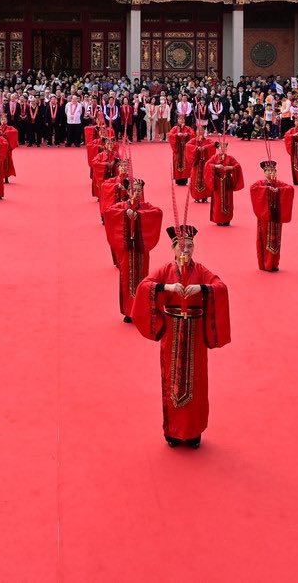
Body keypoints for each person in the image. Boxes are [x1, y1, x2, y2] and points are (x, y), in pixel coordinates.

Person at [130, 224, 231, 448]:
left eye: (190, 245)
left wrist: (202, 289)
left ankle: (193, 431)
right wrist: (168, 287)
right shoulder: (166, 269)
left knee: (197, 381)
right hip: (172, 332)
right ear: (173, 248)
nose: (186, 249)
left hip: (194, 334)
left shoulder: (201, 270)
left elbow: (220, 286)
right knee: (171, 380)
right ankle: (173, 431)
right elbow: (145, 285)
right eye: (182, 246)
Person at [103, 178, 162, 321]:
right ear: (128, 192)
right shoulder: (122, 206)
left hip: (141, 250)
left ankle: (141, 310)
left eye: (139, 191)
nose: (137, 193)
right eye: (134, 190)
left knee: (142, 277)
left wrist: (140, 215)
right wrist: (125, 214)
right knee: (126, 279)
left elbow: (157, 213)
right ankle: (128, 312)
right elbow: (108, 212)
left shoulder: (146, 206)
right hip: (128, 250)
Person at [249, 160, 294, 272]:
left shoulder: (279, 183)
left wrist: (278, 190)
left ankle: (274, 263)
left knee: (277, 239)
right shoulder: (260, 184)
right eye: (268, 171)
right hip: (265, 216)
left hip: (276, 215)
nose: (270, 172)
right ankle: (265, 264)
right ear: (264, 172)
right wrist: (268, 190)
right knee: (263, 238)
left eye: (272, 170)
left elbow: (290, 189)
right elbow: (253, 189)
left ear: (276, 171)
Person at [205, 139, 244, 226]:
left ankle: (227, 219)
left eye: (224, 148)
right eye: (220, 148)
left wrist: (230, 168)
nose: (222, 149)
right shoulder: (214, 157)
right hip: (218, 182)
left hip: (227, 182)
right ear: (218, 149)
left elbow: (237, 166)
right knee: (218, 200)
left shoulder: (230, 158)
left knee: (228, 200)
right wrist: (216, 166)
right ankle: (218, 219)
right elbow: (208, 165)